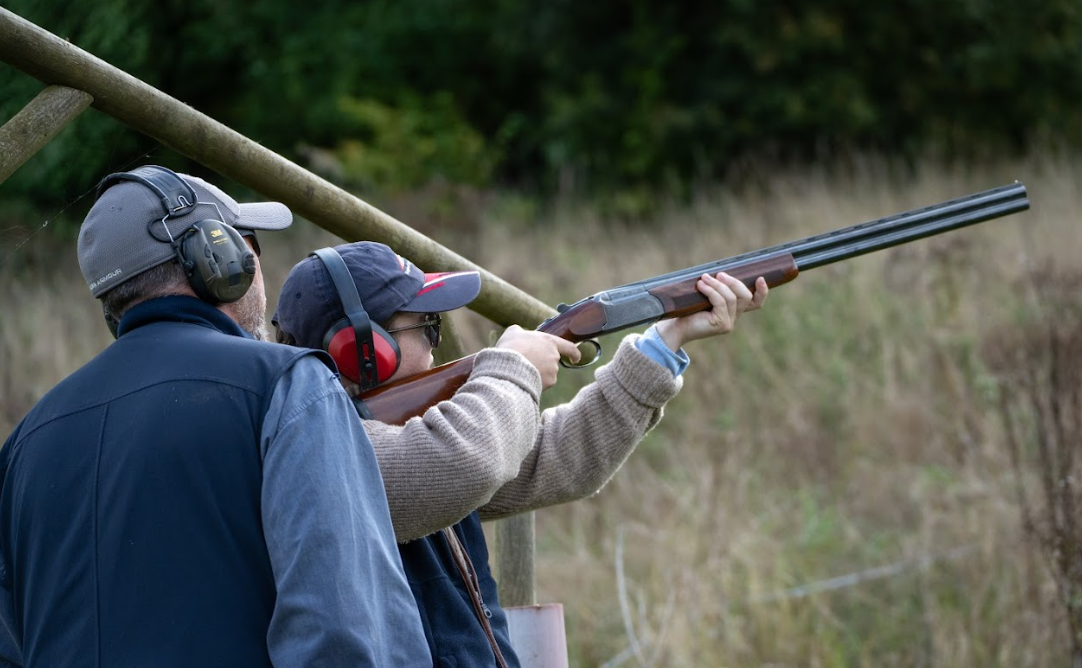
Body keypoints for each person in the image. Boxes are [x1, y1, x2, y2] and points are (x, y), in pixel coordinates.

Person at [0, 167, 431, 667]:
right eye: (250, 246)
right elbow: (344, 632)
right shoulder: (287, 385)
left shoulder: (25, 442)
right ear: (219, 258)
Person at [272, 240, 768, 667]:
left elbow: (557, 458)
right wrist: (512, 368)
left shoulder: (413, 440)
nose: (436, 344)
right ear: (363, 352)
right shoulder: (329, 454)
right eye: (425, 327)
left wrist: (666, 341)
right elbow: (472, 459)